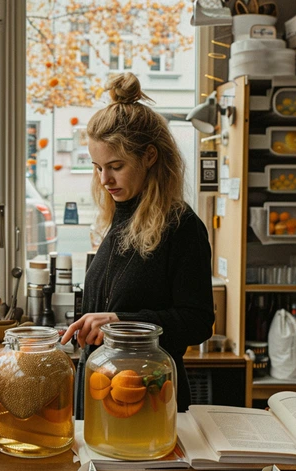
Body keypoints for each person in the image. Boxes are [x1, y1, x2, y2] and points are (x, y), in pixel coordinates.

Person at [61, 72, 214, 415]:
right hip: (104, 393)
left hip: (149, 400)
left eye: (116, 166)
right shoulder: (120, 215)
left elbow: (198, 321)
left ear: (149, 156)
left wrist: (119, 321)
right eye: (97, 167)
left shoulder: (182, 227)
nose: (104, 180)